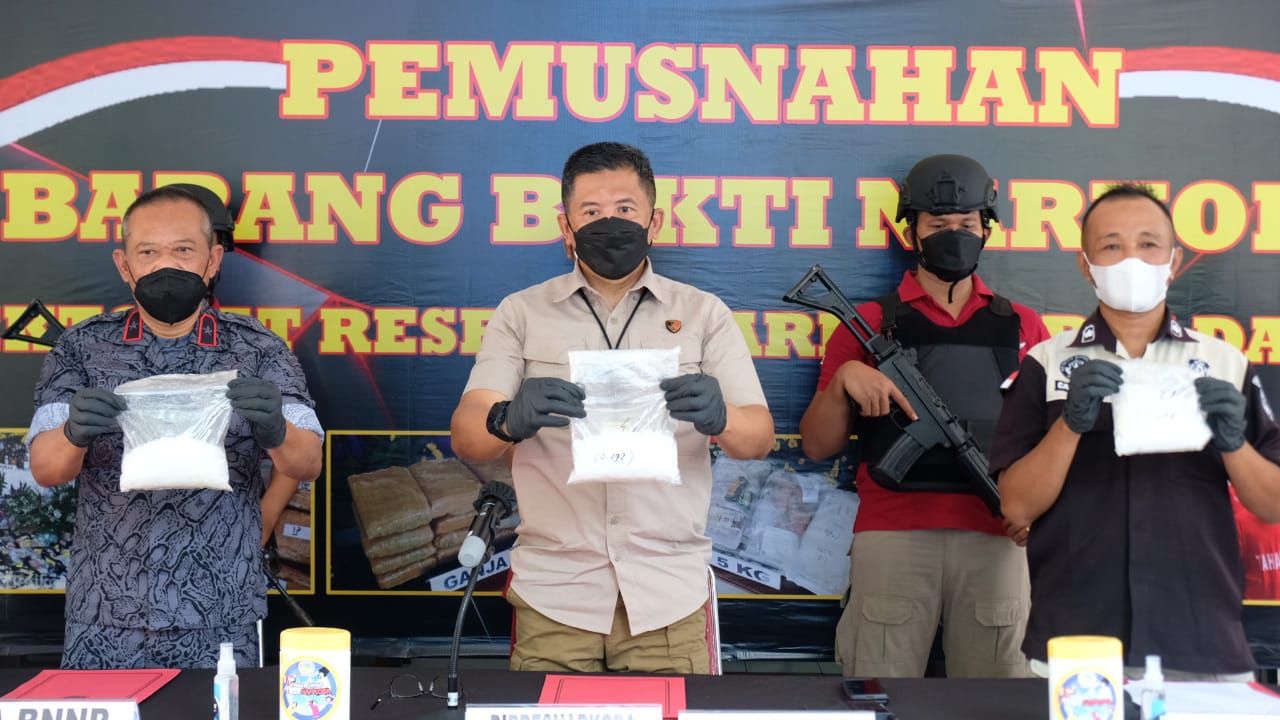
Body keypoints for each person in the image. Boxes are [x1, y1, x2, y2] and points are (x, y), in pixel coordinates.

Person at [450, 141, 774, 673]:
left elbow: (758, 438)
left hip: (668, 596)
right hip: (556, 594)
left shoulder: (703, 314)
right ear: (566, 226)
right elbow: (467, 436)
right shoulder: (522, 313)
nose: (609, 223)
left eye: (625, 209)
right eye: (591, 212)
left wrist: (722, 417)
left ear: (654, 221)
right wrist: (506, 418)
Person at [25, 185, 324, 669]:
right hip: (106, 611)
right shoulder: (82, 348)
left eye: (183, 250)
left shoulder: (259, 349)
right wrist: (72, 434)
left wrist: (276, 430)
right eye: (148, 252)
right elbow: (45, 469)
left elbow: (308, 462)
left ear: (212, 259)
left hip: (222, 608)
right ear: (124, 265)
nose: (166, 264)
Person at [992, 183, 1280, 679]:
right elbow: (1016, 506)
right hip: (1079, 637)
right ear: (1086, 265)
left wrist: (1233, 444)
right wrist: (1070, 425)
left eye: (1148, 244)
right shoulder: (1046, 363)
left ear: (1174, 260)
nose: (1132, 259)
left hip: (1200, 636)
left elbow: (1272, 505)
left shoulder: (1224, 363)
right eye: (1111, 245)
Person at [799, 154, 1049, 678]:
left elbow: (1048, 442)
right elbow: (818, 446)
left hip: (996, 536)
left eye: (966, 225)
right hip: (893, 534)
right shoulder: (869, 322)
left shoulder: (1023, 325)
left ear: (987, 230)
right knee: (880, 692)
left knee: (996, 703)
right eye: (938, 226)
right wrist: (846, 379)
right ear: (911, 232)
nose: (953, 236)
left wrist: (1036, 511)